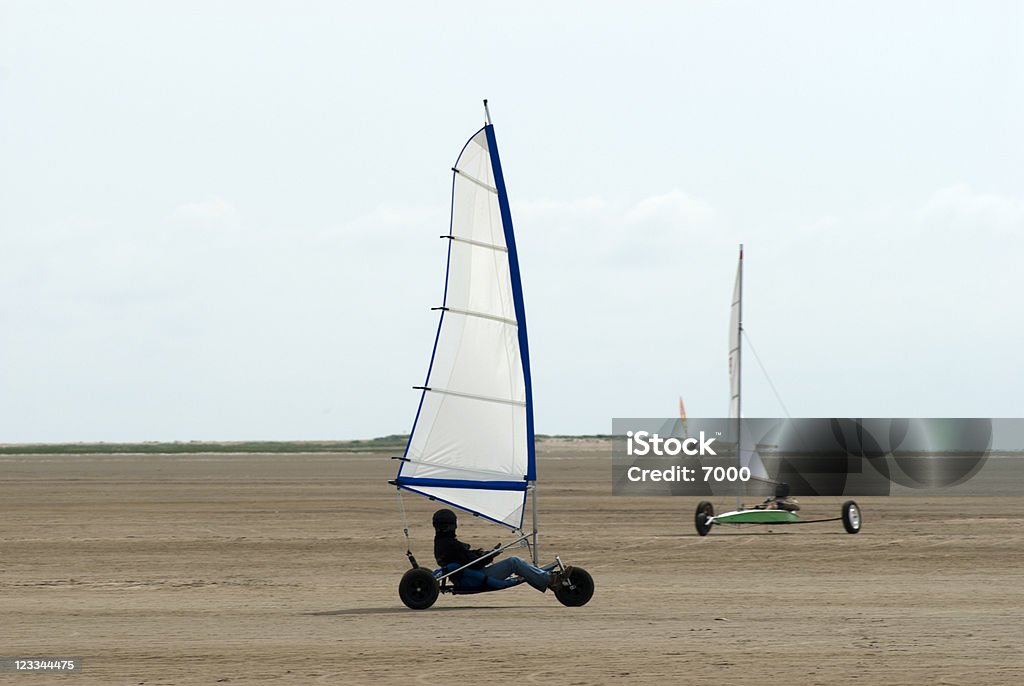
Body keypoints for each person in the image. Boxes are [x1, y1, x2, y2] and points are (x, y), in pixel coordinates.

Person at [431, 508, 569, 592]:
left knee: (514, 562)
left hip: (466, 576)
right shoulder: (450, 545)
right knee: (514, 562)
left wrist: (482, 553)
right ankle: (551, 581)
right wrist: (491, 555)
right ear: (452, 525)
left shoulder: (441, 542)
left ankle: (544, 578)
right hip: (473, 579)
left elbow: (465, 557)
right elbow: (475, 563)